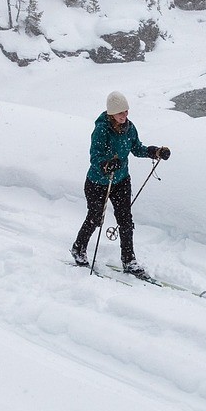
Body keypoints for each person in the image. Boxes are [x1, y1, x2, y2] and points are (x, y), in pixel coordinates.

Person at [71, 91, 170, 278]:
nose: (124, 116)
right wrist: (107, 165)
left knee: (125, 220)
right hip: (98, 182)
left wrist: (155, 152)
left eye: (126, 112)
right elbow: (95, 156)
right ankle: (78, 248)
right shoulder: (101, 130)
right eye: (120, 113)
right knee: (95, 218)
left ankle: (129, 260)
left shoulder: (130, 128)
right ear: (111, 114)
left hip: (121, 181)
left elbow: (137, 148)